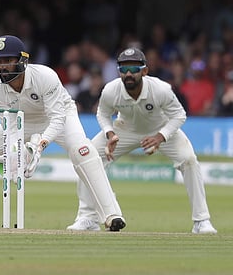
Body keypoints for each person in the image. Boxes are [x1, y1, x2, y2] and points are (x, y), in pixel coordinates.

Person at [0, 35, 126, 231]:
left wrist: (39, 146)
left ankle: (111, 215)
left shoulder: (45, 76)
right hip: (22, 121)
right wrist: (19, 152)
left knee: (84, 151)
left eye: (8, 60)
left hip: (60, 116)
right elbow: (11, 128)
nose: (2, 66)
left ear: (22, 60)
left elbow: (57, 118)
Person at [69, 47, 217, 234]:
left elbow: (179, 115)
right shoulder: (111, 90)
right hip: (124, 129)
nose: (128, 73)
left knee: (189, 160)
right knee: (87, 157)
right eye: (123, 69)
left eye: (134, 68)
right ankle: (87, 218)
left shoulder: (161, 89)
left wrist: (160, 136)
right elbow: (103, 113)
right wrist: (109, 133)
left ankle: (201, 221)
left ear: (145, 71)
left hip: (160, 128)